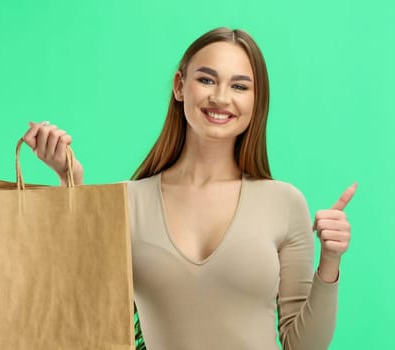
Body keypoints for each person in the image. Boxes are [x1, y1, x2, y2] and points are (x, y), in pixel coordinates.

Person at [22, 27, 355, 350]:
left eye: (240, 86)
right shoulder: (126, 201)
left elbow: (303, 346)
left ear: (257, 101)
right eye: (207, 80)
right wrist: (70, 185)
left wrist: (330, 261)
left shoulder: (283, 203)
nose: (221, 97)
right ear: (180, 86)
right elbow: (86, 314)